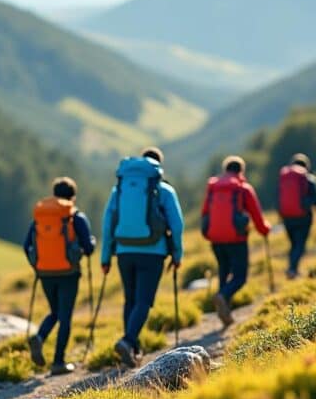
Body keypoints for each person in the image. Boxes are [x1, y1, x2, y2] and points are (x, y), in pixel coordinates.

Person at [100, 147, 184, 368]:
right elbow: (177, 225)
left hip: (124, 251)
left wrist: (106, 257)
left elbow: (108, 223)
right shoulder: (164, 191)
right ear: (158, 168)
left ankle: (132, 346)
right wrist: (177, 253)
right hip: (153, 252)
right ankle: (128, 341)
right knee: (144, 301)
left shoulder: (119, 190)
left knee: (130, 299)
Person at [24, 177, 97, 375]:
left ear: (55, 194)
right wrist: (91, 242)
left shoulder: (40, 217)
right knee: (65, 316)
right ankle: (58, 362)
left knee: (55, 311)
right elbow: (88, 249)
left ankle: (40, 337)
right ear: (72, 197)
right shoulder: (75, 217)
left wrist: (38, 266)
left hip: (45, 273)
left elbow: (27, 246)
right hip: (68, 273)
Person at [200, 156, 271, 326]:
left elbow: (205, 212)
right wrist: (265, 230)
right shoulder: (243, 188)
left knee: (224, 271)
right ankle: (223, 297)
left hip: (216, 238)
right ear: (241, 171)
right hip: (236, 239)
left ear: (226, 169)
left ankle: (225, 311)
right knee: (240, 276)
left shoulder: (213, 187)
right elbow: (256, 214)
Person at [276, 153, 316, 279]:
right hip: (303, 217)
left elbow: (280, 197)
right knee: (300, 245)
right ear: (306, 166)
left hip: (287, 217)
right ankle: (292, 269)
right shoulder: (308, 178)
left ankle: (293, 269)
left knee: (293, 244)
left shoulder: (285, 177)